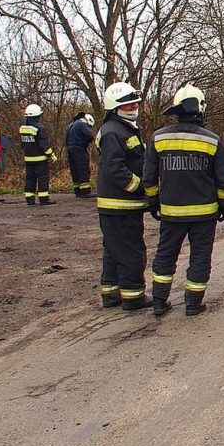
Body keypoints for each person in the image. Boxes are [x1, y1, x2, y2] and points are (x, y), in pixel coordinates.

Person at [143, 84, 224, 317]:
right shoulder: (212, 140)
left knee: (165, 255)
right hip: (204, 214)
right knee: (200, 257)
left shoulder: (158, 137)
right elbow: (223, 180)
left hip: (171, 213)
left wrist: (153, 202)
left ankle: (159, 302)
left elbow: (149, 177)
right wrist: (223, 204)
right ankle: (193, 303)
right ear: (200, 108)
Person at [96, 82, 152, 310]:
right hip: (121, 205)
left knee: (114, 249)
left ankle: (110, 294)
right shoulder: (113, 132)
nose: (134, 107)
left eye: (135, 103)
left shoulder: (122, 128)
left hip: (119, 206)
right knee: (131, 251)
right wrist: (141, 187)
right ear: (115, 107)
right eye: (129, 104)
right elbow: (115, 169)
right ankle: (133, 296)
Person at [19, 103, 57, 205]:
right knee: (42, 178)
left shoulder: (22, 128)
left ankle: (29, 198)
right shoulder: (39, 128)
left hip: (28, 159)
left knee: (30, 178)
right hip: (40, 159)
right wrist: (51, 155)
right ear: (37, 116)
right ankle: (44, 198)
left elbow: (22, 144)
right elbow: (44, 145)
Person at [65, 111, 96, 198]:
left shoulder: (71, 125)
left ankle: (77, 191)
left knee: (75, 170)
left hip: (70, 149)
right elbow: (90, 136)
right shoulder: (81, 124)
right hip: (79, 149)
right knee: (83, 169)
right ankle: (85, 191)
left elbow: (66, 138)